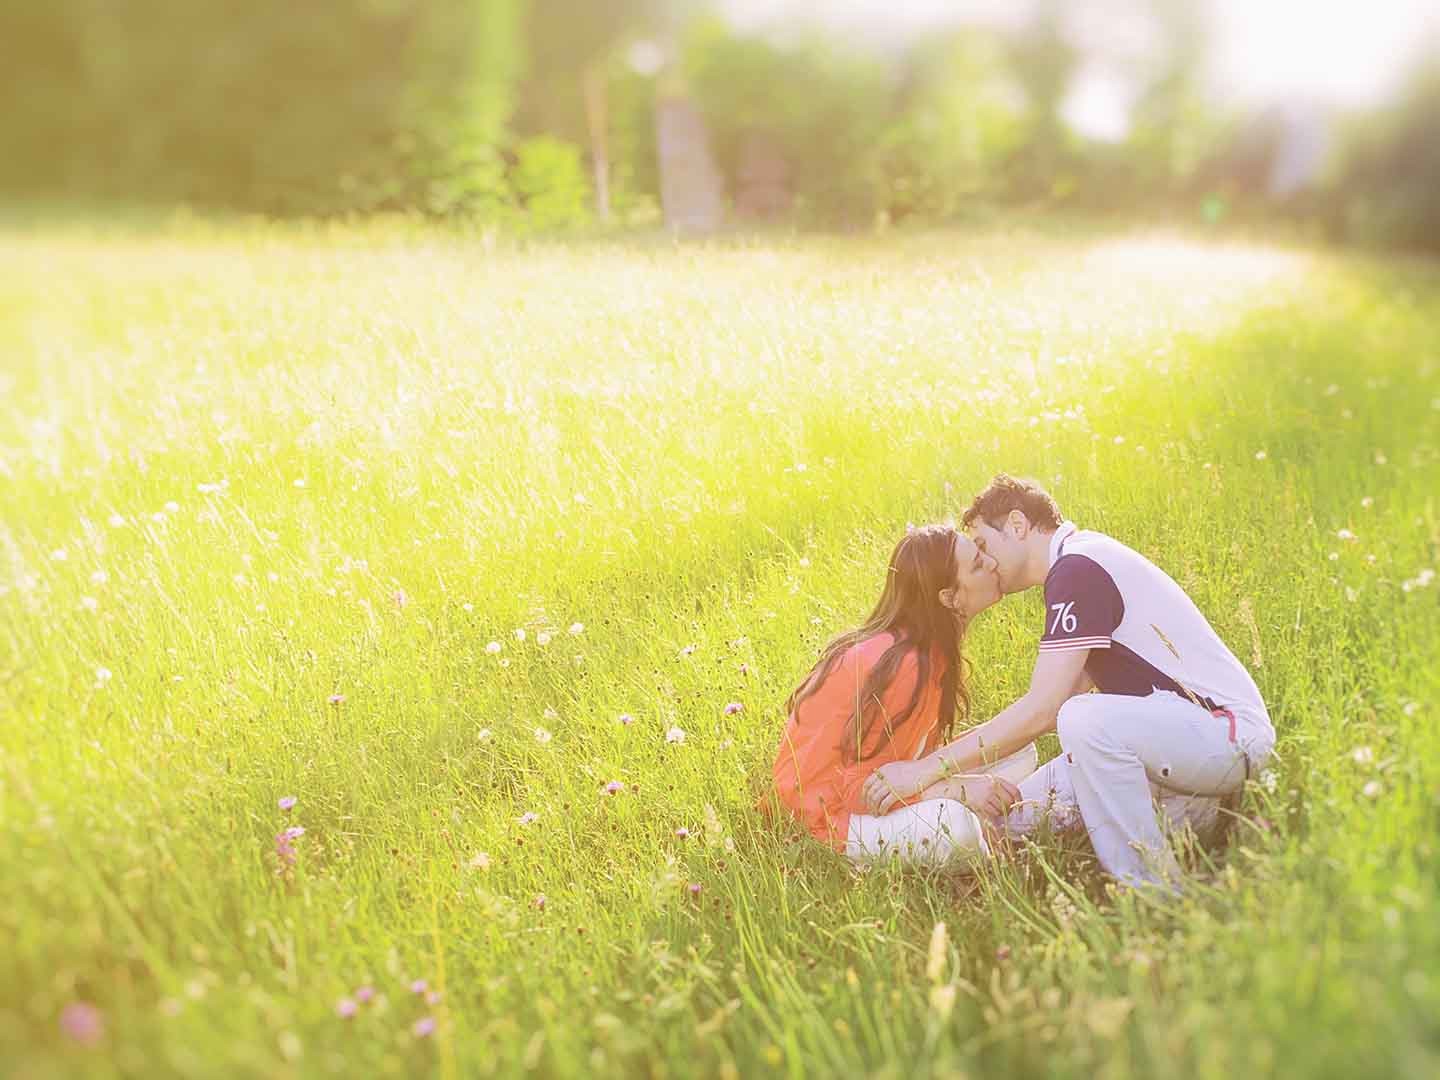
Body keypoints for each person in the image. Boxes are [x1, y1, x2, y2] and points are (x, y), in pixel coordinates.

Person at [862, 475, 1275, 889]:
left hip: (1224, 736)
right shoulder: (1079, 562)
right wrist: (946, 781)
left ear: (1018, 525)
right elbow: (1060, 704)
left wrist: (922, 770)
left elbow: (1046, 709)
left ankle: (1150, 891)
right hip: (1183, 748)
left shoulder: (1078, 567)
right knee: (1010, 819)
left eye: (985, 546)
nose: (985, 563)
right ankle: (1200, 817)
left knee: (1081, 719)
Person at [767, 523, 1041, 867]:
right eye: (976, 563)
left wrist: (960, 784)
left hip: (881, 794)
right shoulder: (906, 666)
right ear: (949, 598)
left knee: (1019, 749)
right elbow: (860, 790)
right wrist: (960, 790)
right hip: (827, 819)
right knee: (957, 827)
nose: (991, 563)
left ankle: (992, 822)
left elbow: (913, 762)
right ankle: (992, 839)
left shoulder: (930, 650)